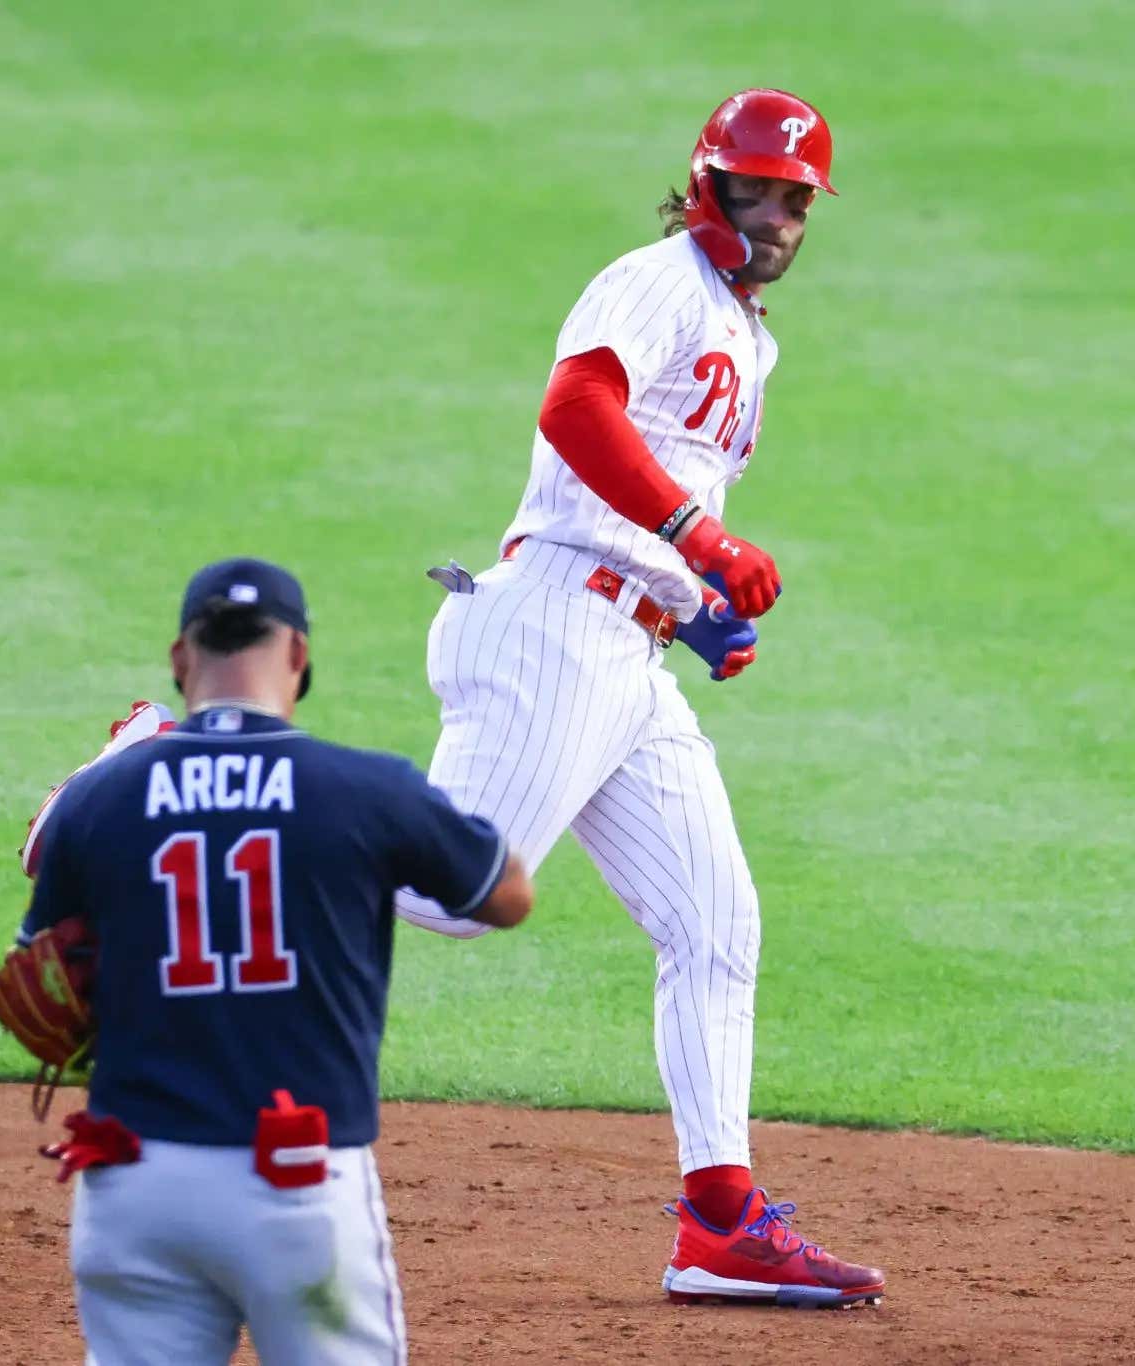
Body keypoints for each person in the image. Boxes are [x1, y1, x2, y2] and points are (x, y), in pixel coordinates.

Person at [394, 89, 884, 1307]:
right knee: (447, 898)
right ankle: (210, 786)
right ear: (703, 184)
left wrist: (694, 604)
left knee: (716, 923)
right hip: (556, 623)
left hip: (628, 648)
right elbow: (573, 410)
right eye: (750, 189)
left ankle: (719, 1220)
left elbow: (659, 483)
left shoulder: (746, 331)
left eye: (792, 200)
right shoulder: (655, 279)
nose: (771, 216)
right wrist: (699, 540)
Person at [18, 557, 533, 1364]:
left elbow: (44, 978)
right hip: (295, 1189)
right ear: (298, 655)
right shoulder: (365, 790)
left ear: (181, 660)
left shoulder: (101, 799)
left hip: (133, 1184)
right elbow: (505, 896)